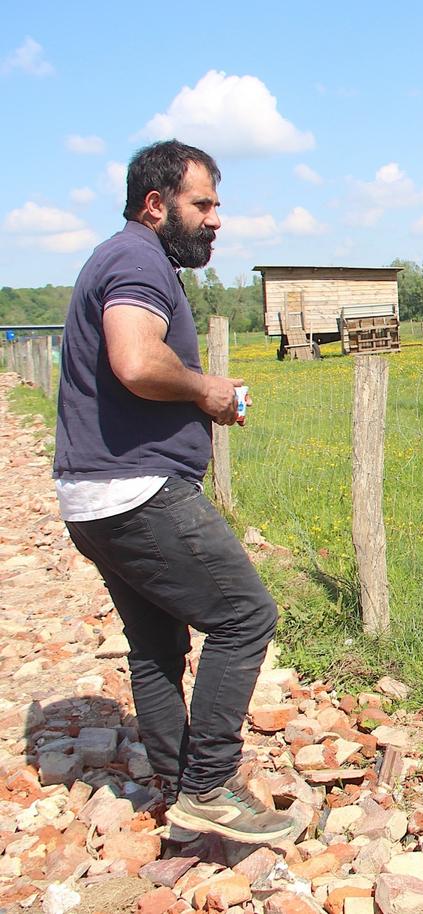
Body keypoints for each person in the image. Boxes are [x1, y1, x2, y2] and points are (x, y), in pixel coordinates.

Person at [53, 139, 293, 843]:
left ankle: (176, 782)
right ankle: (210, 787)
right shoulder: (136, 258)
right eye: (203, 204)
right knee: (245, 616)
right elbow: (133, 357)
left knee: (156, 643)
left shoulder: (124, 256)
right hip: (136, 490)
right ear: (156, 205)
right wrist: (207, 389)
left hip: (92, 495)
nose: (216, 219)